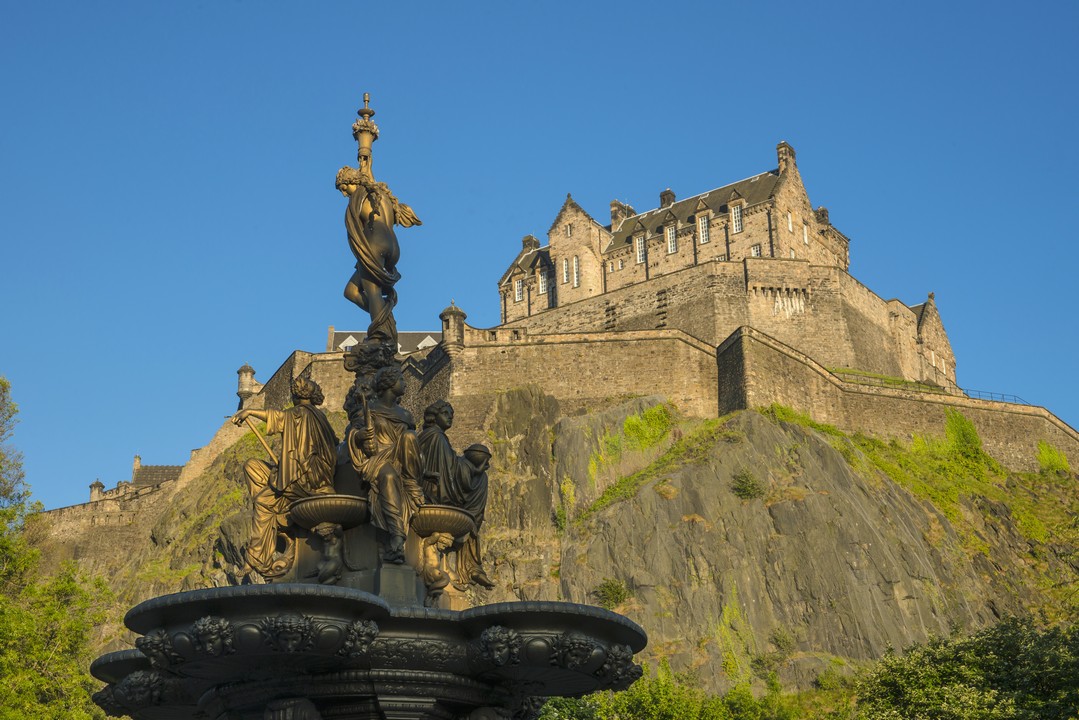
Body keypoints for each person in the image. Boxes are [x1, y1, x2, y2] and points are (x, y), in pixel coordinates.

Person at [232, 377, 338, 578]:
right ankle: (276, 511)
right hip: (304, 474)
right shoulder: (321, 417)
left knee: (263, 502)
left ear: (295, 395)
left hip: (305, 480)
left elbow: (277, 417)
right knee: (252, 466)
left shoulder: (298, 414)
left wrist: (249, 411)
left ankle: (257, 559)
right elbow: (335, 441)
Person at [345, 365, 425, 563]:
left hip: (401, 458)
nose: (405, 384)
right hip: (377, 458)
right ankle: (397, 534)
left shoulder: (406, 415)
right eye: (401, 380)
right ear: (390, 383)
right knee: (388, 476)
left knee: (409, 436)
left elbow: (413, 446)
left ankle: (411, 482)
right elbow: (351, 435)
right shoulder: (369, 410)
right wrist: (361, 435)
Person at [336, 162, 421, 347]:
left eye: (344, 187)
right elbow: (366, 169)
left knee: (372, 292)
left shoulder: (361, 195)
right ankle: (384, 319)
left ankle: (380, 335)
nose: (344, 194)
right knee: (350, 291)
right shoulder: (380, 193)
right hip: (393, 245)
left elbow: (364, 170)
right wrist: (365, 146)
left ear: (352, 181)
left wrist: (363, 145)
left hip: (373, 242)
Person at [417, 400, 494, 588]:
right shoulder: (436, 437)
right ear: (434, 417)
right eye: (445, 413)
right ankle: (471, 566)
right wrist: (475, 469)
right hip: (434, 491)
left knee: (480, 481)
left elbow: (450, 465)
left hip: (439, 486)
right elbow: (449, 469)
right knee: (480, 481)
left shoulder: (436, 437)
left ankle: (472, 566)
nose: (450, 417)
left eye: (451, 414)